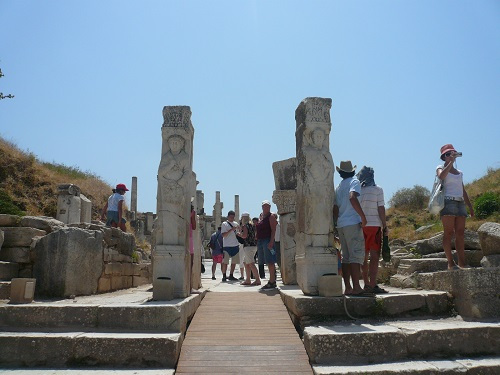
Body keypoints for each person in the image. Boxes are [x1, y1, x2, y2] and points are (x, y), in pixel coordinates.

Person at [333, 161, 370, 297]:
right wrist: (362, 216)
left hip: (341, 224)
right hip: (352, 222)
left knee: (346, 257)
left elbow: (335, 207)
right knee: (355, 255)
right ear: (353, 171)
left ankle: (348, 287)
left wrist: (337, 222)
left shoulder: (338, 187)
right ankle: (356, 287)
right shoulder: (354, 182)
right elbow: (352, 197)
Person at [436, 144, 474, 269]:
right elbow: (441, 176)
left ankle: (462, 262)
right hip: (448, 201)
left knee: (460, 233)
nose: (450, 156)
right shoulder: (440, 167)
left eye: (452, 153)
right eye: (447, 154)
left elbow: (462, 189)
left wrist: (469, 205)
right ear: (443, 157)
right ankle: (450, 262)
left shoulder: (460, 172)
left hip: (460, 202)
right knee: (448, 232)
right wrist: (450, 163)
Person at [357, 166, 388, 294]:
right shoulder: (378, 190)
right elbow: (381, 208)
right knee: (374, 256)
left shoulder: (357, 191)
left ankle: (366, 284)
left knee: (363, 257)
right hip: (374, 226)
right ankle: (373, 284)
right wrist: (385, 225)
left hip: (361, 226)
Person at [256, 200, 278, 290]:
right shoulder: (261, 216)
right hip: (260, 240)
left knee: (270, 261)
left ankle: (272, 281)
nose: (266, 207)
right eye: (264, 206)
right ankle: (271, 278)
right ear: (262, 207)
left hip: (267, 240)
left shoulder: (271, 216)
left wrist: (271, 241)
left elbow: (273, 230)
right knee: (263, 260)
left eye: (268, 206)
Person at [238, 212, 261, 286]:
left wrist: (239, 234)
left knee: (251, 263)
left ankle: (257, 280)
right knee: (245, 262)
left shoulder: (245, 226)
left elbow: (244, 236)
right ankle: (248, 279)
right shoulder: (253, 225)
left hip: (248, 246)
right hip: (254, 245)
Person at [221, 210, 241, 282]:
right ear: (228, 216)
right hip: (227, 245)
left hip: (235, 244)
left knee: (234, 261)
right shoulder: (224, 224)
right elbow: (223, 235)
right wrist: (231, 230)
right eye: (231, 217)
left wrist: (239, 230)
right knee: (225, 261)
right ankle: (224, 275)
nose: (232, 218)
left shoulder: (236, 223)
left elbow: (239, 232)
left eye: (233, 217)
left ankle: (231, 275)